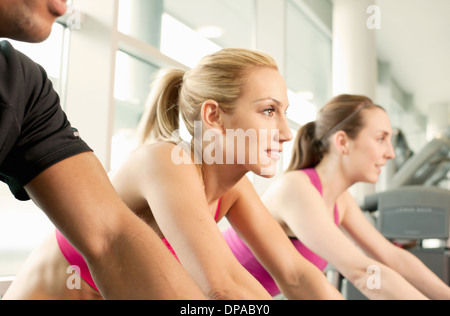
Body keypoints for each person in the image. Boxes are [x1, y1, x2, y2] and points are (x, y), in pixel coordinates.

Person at [6, 47, 344, 300]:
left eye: (284, 113)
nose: (286, 133)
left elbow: (295, 273)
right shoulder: (168, 160)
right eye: (269, 111)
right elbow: (222, 286)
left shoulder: (235, 188)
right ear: (213, 115)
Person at [0, 0, 205, 299]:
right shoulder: (167, 163)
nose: (62, 5)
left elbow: (112, 237)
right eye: (267, 110)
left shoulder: (24, 86)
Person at [223, 94, 450, 299]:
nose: (390, 153)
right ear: (342, 142)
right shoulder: (296, 188)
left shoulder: (341, 201)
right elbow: (361, 273)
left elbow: (393, 257)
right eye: (381, 139)